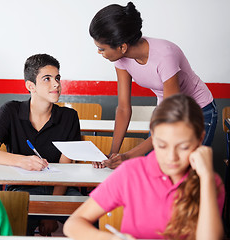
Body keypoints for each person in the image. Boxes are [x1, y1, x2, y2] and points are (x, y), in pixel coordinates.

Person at [64, 94, 225, 240]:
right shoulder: (131, 172)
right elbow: (73, 224)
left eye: (183, 147)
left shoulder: (210, 181)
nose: (171, 157)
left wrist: (206, 179)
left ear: (200, 140)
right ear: (153, 138)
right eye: (162, 146)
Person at [89, 2, 218, 169]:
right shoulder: (120, 59)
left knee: (186, 172)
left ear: (122, 47)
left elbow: (170, 120)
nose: (99, 53)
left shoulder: (165, 56)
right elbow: (123, 108)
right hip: (166, 111)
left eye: (101, 48)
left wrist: (127, 156)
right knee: (154, 170)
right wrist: (113, 155)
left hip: (199, 111)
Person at [0, 53, 81, 236]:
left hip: (60, 188)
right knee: (11, 223)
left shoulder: (69, 117)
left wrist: (51, 211)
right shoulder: (10, 110)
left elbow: (65, 167)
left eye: (57, 78)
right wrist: (22, 161)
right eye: (47, 79)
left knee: (88, 217)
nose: (56, 84)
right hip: (22, 187)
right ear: (31, 86)